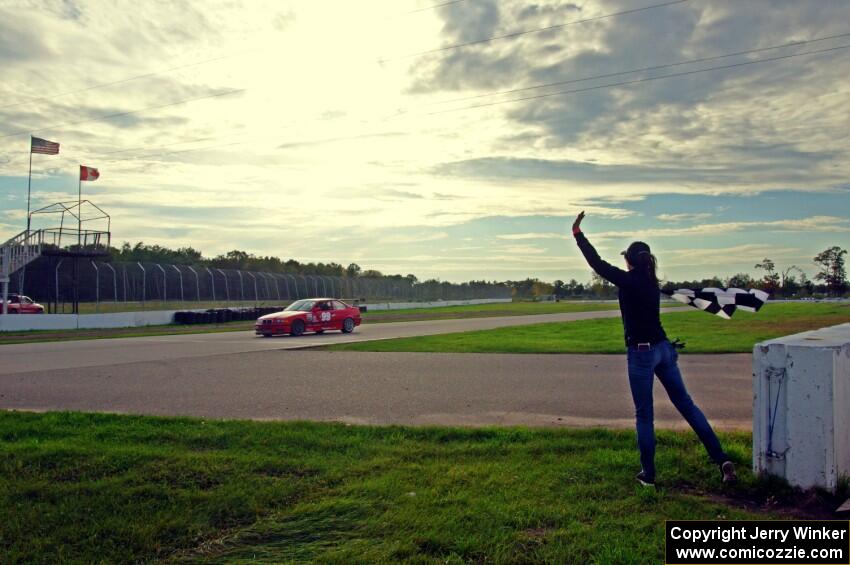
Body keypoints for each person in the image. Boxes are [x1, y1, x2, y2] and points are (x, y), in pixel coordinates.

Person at [571, 211, 736, 487]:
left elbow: (597, 263)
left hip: (642, 354)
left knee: (645, 414)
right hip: (664, 349)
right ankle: (721, 458)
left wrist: (578, 234)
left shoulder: (629, 280)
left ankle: (648, 474)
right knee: (687, 405)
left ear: (629, 260)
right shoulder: (651, 282)